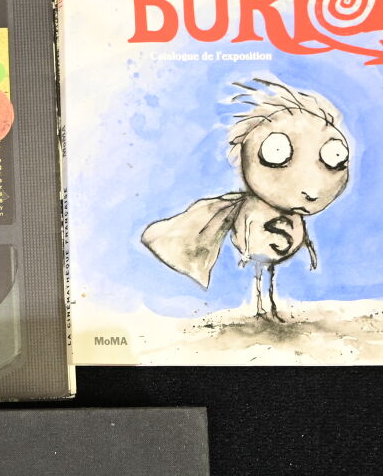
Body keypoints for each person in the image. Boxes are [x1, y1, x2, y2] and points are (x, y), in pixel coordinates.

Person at [140, 75, 351, 320]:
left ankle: (268, 305)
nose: (311, 191)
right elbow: (250, 230)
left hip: (272, 252)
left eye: (336, 158)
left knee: (269, 272)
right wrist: (250, 248)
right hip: (257, 253)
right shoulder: (252, 209)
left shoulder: (292, 214)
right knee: (260, 271)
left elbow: (295, 232)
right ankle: (259, 306)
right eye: (276, 152)